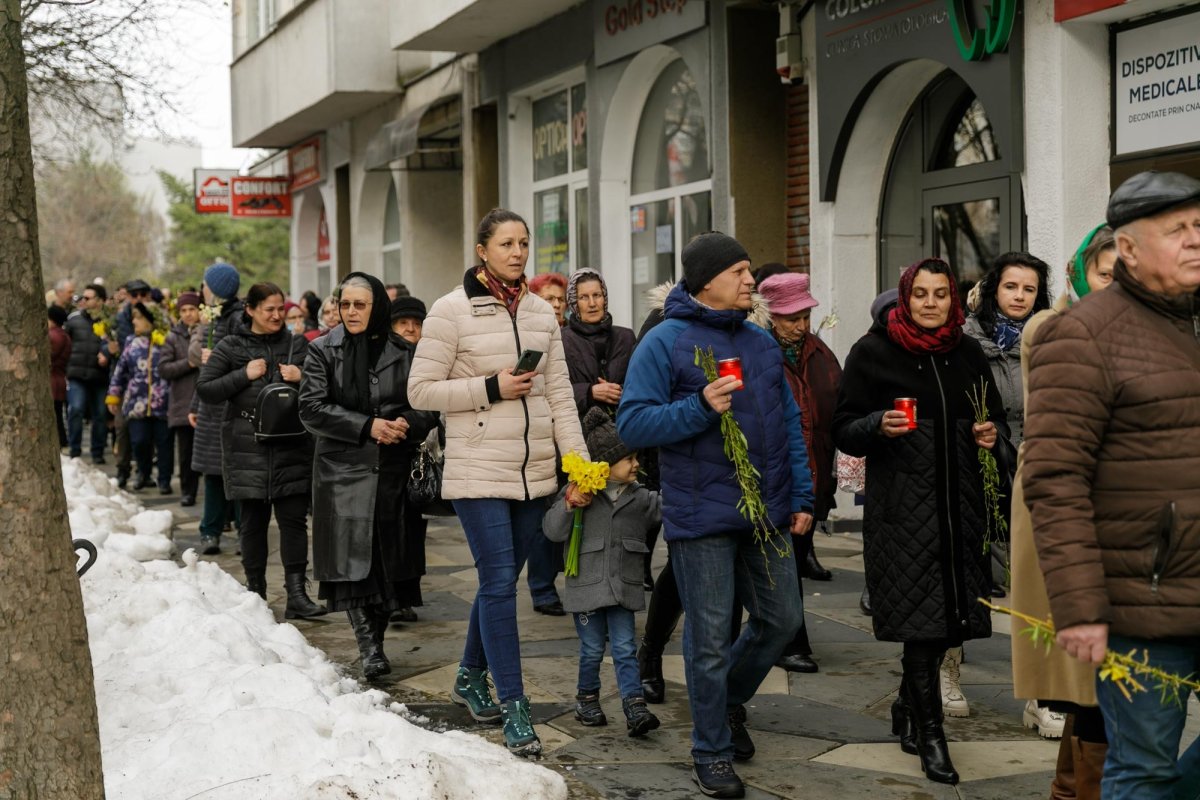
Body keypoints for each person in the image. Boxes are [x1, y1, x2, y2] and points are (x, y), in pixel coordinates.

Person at [1023, 171, 1200, 800]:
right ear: (1126, 249)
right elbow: (1054, 478)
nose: (1194, 241)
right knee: (1143, 768)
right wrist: (1081, 607)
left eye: (1199, 226)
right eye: (1175, 230)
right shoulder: (1083, 335)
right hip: (1141, 600)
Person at [617, 232, 811, 799]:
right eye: (741, 272)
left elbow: (788, 424)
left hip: (767, 512)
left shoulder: (760, 343)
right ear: (706, 282)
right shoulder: (664, 341)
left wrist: (801, 496)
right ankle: (711, 750)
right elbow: (633, 425)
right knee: (706, 639)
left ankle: (723, 700)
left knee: (781, 619)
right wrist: (698, 406)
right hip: (701, 515)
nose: (752, 281)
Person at [408, 208, 587, 757]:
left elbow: (559, 394)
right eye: (506, 243)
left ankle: (467, 674)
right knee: (498, 582)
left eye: (524, 243)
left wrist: (578, 465)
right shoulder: (449, 310)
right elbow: (421, 392)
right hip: (477, 468)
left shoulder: (540, 312)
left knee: (501, 582)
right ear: (482, 250)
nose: (517, 252)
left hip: (534, 474)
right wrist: (491, 386)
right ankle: (515, 705)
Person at [834, 257, 1006, 786]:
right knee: (921, 626)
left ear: (954, 299)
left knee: (949, 621)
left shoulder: (968, 351)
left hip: (962, 507)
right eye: (920, 295)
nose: (931, 304)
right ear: (904, 299)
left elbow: (994, 415)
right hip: (903, 511)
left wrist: (989, 434)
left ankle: (908, 708)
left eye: (940, 294)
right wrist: (876, 425)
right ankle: (932, 737)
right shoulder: (873, 351)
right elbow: (841, 428)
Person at [1009, 226, 1115, 798]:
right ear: (1079, 274)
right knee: (1090, 672)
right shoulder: (1052, 327)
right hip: (1070, 509)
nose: (1115, 287)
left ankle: (1072, 787)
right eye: (1104, 274)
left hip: (1120, 512)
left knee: (1100, 680)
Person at [300, 274, 437, 677]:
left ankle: (376, 639)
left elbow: (428, 405)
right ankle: (370, 647)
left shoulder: (405, 351)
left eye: (361, 305)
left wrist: (402, 424)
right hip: (342, 472)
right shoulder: (322, 350)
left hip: (395, 471)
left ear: (378, 306)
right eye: (346, 305)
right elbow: (311, 408)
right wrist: (367, 426)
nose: (352, 312)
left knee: (387, 564)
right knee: (351, 566)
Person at [197, 281, 326, 619]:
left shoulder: (296, 344)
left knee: (294, 522)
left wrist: (302, 377)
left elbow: (326, 388)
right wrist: (243, 374)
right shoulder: (231, 345)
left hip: (292, 445)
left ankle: (297, 595)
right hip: (246, 447)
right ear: (250, 310)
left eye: (279, 308)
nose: (275, 315)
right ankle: (255, 594)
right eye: (268, 309)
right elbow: (207, 389)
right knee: (251, 524)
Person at [543, 407, 662, 738]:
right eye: (629, 459)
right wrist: (568, 504)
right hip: (587, 587)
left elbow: (669, 509)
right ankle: (587, 698)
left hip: (623, 588)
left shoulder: (641, 499)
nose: (636, 464)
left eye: (636, 457)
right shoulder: (581, 493)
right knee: (593, 648)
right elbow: (552, 531)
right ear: (605, 466)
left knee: (625, 647)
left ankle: (634, 705)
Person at [758, 272, 843, 674]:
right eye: (791, 317)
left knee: (789, 563)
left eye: (805, 315)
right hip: (771, 477)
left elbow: (836, 413)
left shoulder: (821, 355)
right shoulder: (757, 351)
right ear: (771, 315)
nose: (801, 325)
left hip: (812, 475)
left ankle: (788, 638)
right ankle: (788, 640)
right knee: (780, 565)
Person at [963, 253, 1052, 448]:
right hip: (981, 454)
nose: (1019, 296)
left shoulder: (1051, 337)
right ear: (995, 290)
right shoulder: (966, 337)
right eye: (1010, 287)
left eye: (1029, 289)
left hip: (1036, 453)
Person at [189, 263, 244, 555]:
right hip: (210, 406)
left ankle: (241, 531)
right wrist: (195, 403)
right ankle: (210, 531)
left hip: (231, 404)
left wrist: (219, 356)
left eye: (206, 284)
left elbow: (245, 359)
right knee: (212, 473)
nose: (203, 289)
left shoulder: (237, 318)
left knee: (234, 472)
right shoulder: (212, 317)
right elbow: (205, 371)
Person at [387, 295, 434, 624]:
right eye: (403, 323)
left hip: (415, 454)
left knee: (413, 529)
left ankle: (407, 594)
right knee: (389, 528)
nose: (410, 329)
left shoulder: (428, 358)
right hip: (386, 453)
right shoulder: (382, 357)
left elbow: (432, 404)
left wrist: (410, 421)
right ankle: (390, 595)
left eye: (416, 324)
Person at [106, 302, 173, 493]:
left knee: (164, 443)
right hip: (137, 403)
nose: (134, 321)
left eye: (138, 317)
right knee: (139, 441)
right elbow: (120, 371)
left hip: (163, 404)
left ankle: (164, 480)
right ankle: (144, 473)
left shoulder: (167, 340)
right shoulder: (131, 342)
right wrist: (114, 395)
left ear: (150, 320)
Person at [562, 269, 635, 418]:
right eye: (583, 297)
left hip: (623, 429)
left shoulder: (626, 337)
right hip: (582, 431)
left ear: (605, 298)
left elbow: (641, 382)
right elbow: (553, 392)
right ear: (574, 302)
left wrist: (620, 391)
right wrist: (589, 392)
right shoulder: (562, 340)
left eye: (597, 295)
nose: (592, 303)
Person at [160, 291, 203, 506]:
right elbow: (164, 368)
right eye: (184, 310)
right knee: (186, 453)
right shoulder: (173, 336)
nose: (188, 314)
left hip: (206, 401)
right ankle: (188, 491)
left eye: (192, 309)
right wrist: (189, 363)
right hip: (183, 403)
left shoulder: (207, 332)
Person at [64, 284, 112, 463]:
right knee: (76, 409)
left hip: (100, 377)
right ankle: (74, 451)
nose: (83, 301)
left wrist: (106, 353)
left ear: (100, 301)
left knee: (100, 415)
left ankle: (97, 452)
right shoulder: (73, 320)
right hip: (77, 374)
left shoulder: (108, 321)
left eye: (88, 298)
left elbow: (116, 343)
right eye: (82, 297)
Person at [48, 305, 72, 448]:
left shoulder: (53, 336)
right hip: (59, 379)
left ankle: (61, 441)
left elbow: (50, 357)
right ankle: (62, 440)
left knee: (55, 415)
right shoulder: (64, 335)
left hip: (53, 380)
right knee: (57, 414)